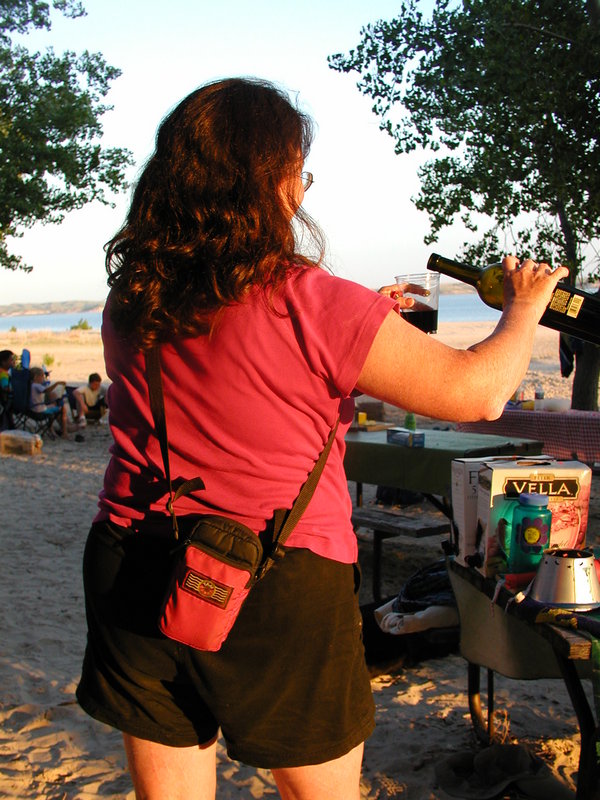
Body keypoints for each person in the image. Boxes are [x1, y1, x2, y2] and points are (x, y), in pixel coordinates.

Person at [76, 77, 568, 800]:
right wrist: (524, 308)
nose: (301, 190)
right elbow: (477, 392)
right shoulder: (310, 299)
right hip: (275, 578)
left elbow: (241, 376)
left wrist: (363, 323)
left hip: (133, 558)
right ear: (269, 179)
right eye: (298, 173)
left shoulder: (135, 296)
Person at [29, 367, 68, 436]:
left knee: (53, 404)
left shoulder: (30, 385)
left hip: (32, 408)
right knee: (61, 408)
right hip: (39, 410)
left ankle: (52, 428)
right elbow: (47, 390)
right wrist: (56, 384)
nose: (43, 378)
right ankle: (63, 432)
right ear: (36, 377)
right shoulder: (37, 386)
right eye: (42, 376)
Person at [0, 350, 15, 429]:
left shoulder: (5, 372)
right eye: (11, 360)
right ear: (3, 362)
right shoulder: (3, 374)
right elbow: (6, 388)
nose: (13, 362)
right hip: (7, 402)